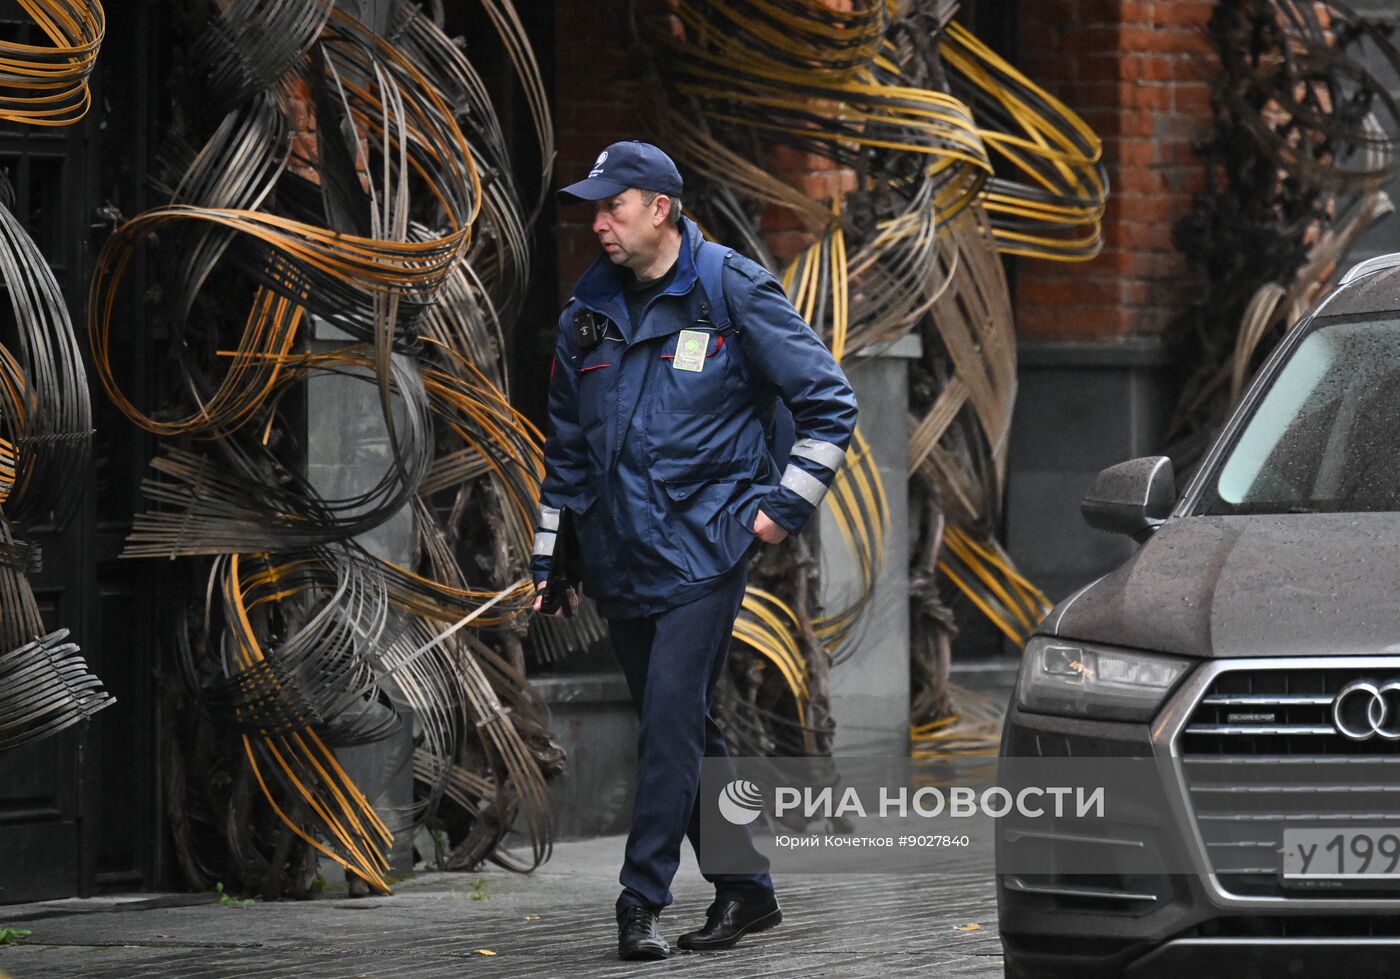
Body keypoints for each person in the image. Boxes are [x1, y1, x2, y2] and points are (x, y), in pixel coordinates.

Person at [530, 140, 858, 961]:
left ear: (660, 209)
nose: (598, 222)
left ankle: (638, 900)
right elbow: (566, 447)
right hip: (620, 553)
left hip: (707, 549)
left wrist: (779, 512)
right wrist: (552, 558)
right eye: (595, 208)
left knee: (669, 726)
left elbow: (829, 401)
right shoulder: (589, 311)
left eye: (613, 206)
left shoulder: (730, 289)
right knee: (686, 727)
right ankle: (747, 889)